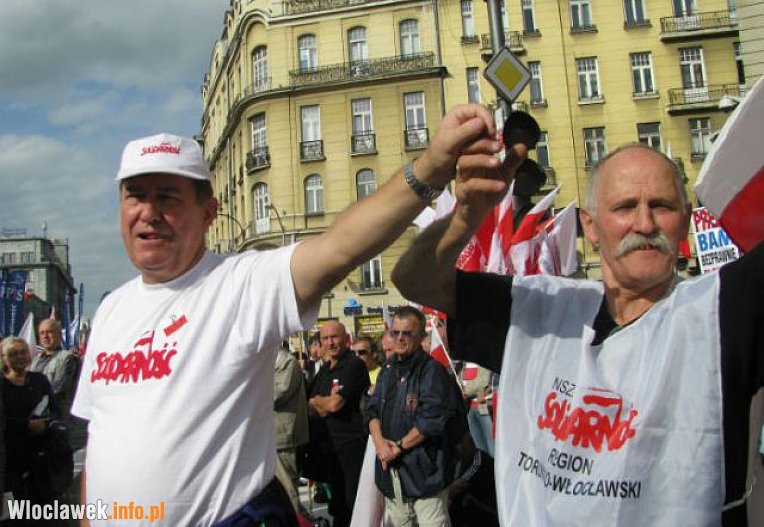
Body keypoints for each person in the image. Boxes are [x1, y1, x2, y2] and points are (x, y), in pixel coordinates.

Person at [71, 104, 504, 527]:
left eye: (167, 197)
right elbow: (99, 440)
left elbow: (340, 246)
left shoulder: (240, 283)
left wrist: (432, 166)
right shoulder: (110, 311)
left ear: (208, 212)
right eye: (135, 195)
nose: (148, 212)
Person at [391, 142, 764, 526]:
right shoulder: (537, 308)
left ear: (685, 220)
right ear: (590, 226)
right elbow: (414, 280)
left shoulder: (721, 309)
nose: (645, 224)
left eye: (662, 206)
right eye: (625, 207)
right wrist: (468, 216)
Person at [365, 306, 463, 527]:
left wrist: (398, 447)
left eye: (407, 333)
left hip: (425, 475)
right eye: (395, 332)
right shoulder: (387, 369)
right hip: (392, 476)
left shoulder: (432, 371)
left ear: (421, 337)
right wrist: (380, 445)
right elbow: (372, 411)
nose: (399, 338)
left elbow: (431, 421)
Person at [309, 321, 370, 527]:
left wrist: (319, 401)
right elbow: (308, 403)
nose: (330, 343)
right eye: (325, 338)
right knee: (337, 504)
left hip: (352, 446)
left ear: (346, 339)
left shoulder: (354, 365)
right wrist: (321, 402)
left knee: (353, 502)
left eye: (334, 337)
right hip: (330, 447)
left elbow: (334, 405)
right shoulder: (325, 370)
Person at [1, 337, 60, 511]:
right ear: (4, 358)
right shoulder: (2, 384)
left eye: (23, 352)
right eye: (13, 354)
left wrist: (48, 423)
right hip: (11, 459)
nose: (20, 357)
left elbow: (55, 410)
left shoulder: (39, 380)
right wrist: (25, 426)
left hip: (42, 457)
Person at [273, 341, 309, 517]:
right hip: (268, 437)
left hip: (283, 437)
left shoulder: (285, 361)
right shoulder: (267, 361)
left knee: (287, 491)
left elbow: (275, 395)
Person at [30, 318, 80, 418]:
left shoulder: (68, 358)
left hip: (57, 416)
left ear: (59, 335)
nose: (45, 336)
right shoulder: (36, 360)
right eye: (42, 333)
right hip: (36, 415)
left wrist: (32, 395)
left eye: (49, 332)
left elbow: (59, 388)